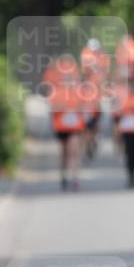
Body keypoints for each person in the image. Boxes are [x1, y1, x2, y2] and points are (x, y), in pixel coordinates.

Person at [46, 55, 85, 191]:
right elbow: (51, 108)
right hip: (61, 127)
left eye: (71, 77)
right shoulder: (56, 91)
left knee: (74, 151)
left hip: (75, 126)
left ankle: (75, 179)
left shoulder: (78, 92)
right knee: (64, 153)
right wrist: (61, 107)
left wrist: (77, 110)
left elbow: (84, 107)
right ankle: (63, 175)